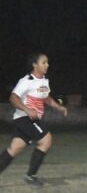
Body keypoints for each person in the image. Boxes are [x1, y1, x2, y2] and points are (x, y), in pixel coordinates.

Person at [0, 53, 67, 186]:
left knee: (15, 148)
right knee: (46, 139)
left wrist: (57, 106)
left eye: (47, 62)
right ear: (34, 65)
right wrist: (27, 109)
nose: (47, 65)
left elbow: (45, 96)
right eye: (44, 62)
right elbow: (13, 98)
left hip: (27, 119)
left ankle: (30, 176)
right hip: (25, 118)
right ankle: (31, 176)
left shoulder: (44, 80)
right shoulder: (27, 80)